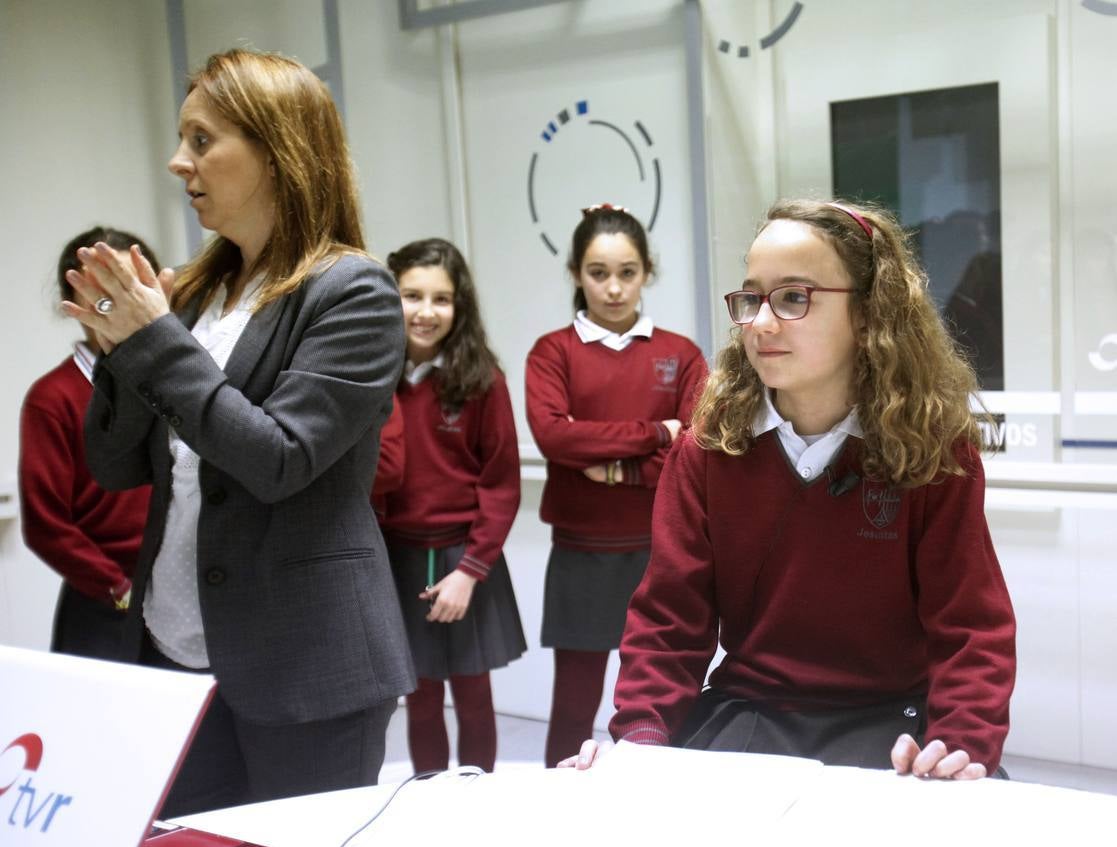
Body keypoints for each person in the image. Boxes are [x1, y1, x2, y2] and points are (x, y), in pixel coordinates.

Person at [61, 48, 415, 816]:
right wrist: (121, 348)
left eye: (200, 139)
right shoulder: (192, 291)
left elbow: (279, 460)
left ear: (276, 147)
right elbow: (114, 466)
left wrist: (155, 342)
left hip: (306, 665)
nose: (175, 161)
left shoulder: (351, 289)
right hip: (176, 651)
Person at [561, 199, 1016, 779]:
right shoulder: (707, 450)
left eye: (794, 298)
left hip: (896, 724)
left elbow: (971, 627)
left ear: (870, 312)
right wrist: (642, 740)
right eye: (751, 298)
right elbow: (669, 622)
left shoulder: (935, 454)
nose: (760, 323)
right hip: (751, 717)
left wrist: (959, 742)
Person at [526, 204, 708, 768]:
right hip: (581, 552)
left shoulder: (680, 354)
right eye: (598, 272)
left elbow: (694, 452)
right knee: (574, 704)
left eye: (626, 272)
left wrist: (617, 467)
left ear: (646, 272)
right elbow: (556, 439)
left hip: (663, 553)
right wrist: (655, 431)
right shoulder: (552, 352)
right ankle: (556, 810)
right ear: (577, 274)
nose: (612, 287)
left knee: (667, 700)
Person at [380, 238, 526, 773]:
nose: (425, 311)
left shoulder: (482, 380)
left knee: (473, 693)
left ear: (458, 306)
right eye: (410, 295)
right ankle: (427, 795)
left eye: (440, 299)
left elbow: (501, 484)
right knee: (417, 696)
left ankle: (477, 798)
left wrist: (471, 569)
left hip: (468, 558)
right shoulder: (373, 376)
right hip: (397, 557)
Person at [19, 227, 158, 660]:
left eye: (126, 282)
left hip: (191, 596)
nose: (112, 300)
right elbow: (46, 525)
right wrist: (117, 589)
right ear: (72, 301)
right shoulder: (54, 397)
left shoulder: (182, 380)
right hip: (106, 605)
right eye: (96, 287)